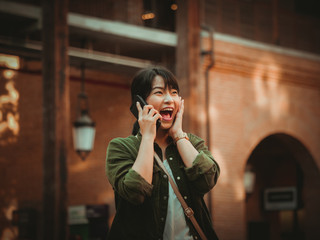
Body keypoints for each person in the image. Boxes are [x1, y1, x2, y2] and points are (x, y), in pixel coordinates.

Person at [105, 66, 220, 240]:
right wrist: (148, 137)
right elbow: (136, 192)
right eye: (159, 93)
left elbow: (207, 179)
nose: (169, 100)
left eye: (174, 93)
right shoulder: (121, 147)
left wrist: (179, 135)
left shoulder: (192, 143)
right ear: (140, 102)